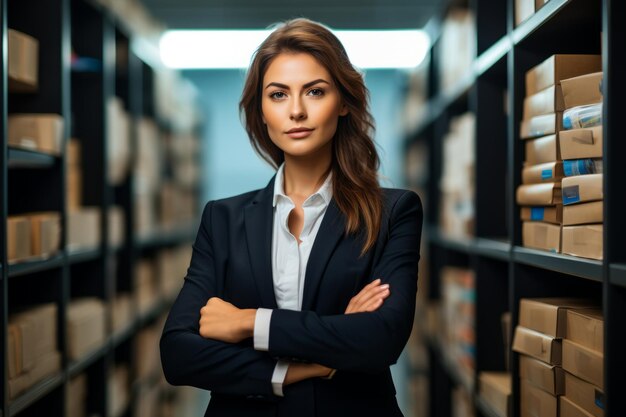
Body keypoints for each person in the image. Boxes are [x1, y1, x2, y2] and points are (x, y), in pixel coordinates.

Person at [160, 18, 423, 417]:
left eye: (315, 92)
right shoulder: (222, 218)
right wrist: (310, 364)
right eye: (278, 95)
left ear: (345, 103)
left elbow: (381, 338)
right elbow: (179, 354)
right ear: (261, 112)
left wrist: (249, 322)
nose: (296, 111)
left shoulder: (394, 212)